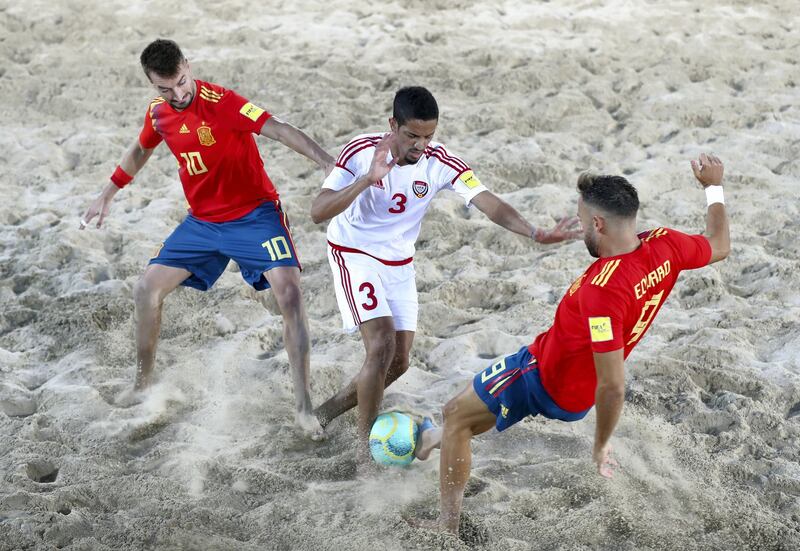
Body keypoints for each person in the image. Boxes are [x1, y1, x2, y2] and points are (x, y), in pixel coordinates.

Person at [411, 154, 730, 535]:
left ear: (599, 223)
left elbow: (613, 385)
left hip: (544, 377)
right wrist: (713, 187)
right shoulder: (667, 245)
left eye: (582, 223)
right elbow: (720, 244)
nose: (580, 231)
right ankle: (432, 438)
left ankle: (446, 527)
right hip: (552, 366)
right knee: (467, 411)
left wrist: (601, 444)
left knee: (456, 414)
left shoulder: (603, 292)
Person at [309, 86, 581, 462]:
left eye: (428, 136)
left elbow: (488, 203)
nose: (420, 145)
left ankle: (324, 413)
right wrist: (366, 181)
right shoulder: (360, 152)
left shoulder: (441, 162)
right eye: (412, 136)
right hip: (354, 252)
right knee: (381, 345)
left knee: (399, 363)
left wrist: (533, 232)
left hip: (399, 261)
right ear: (393, 125)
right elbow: (318, 211)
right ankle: (364, 454)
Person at [79, 39, 334, 439]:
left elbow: (281, 130)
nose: (177, 94)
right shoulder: (159, 113)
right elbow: (140, 149)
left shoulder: (224, 102)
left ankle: (303, 408)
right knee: (146, 289)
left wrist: (326, 163)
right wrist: (108, 192)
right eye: (165, 88)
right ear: (152, 86)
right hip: (202, 224)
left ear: (188, 66)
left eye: (181, 82)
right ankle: (143, 383)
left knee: (290, 295)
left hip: (255, 216)